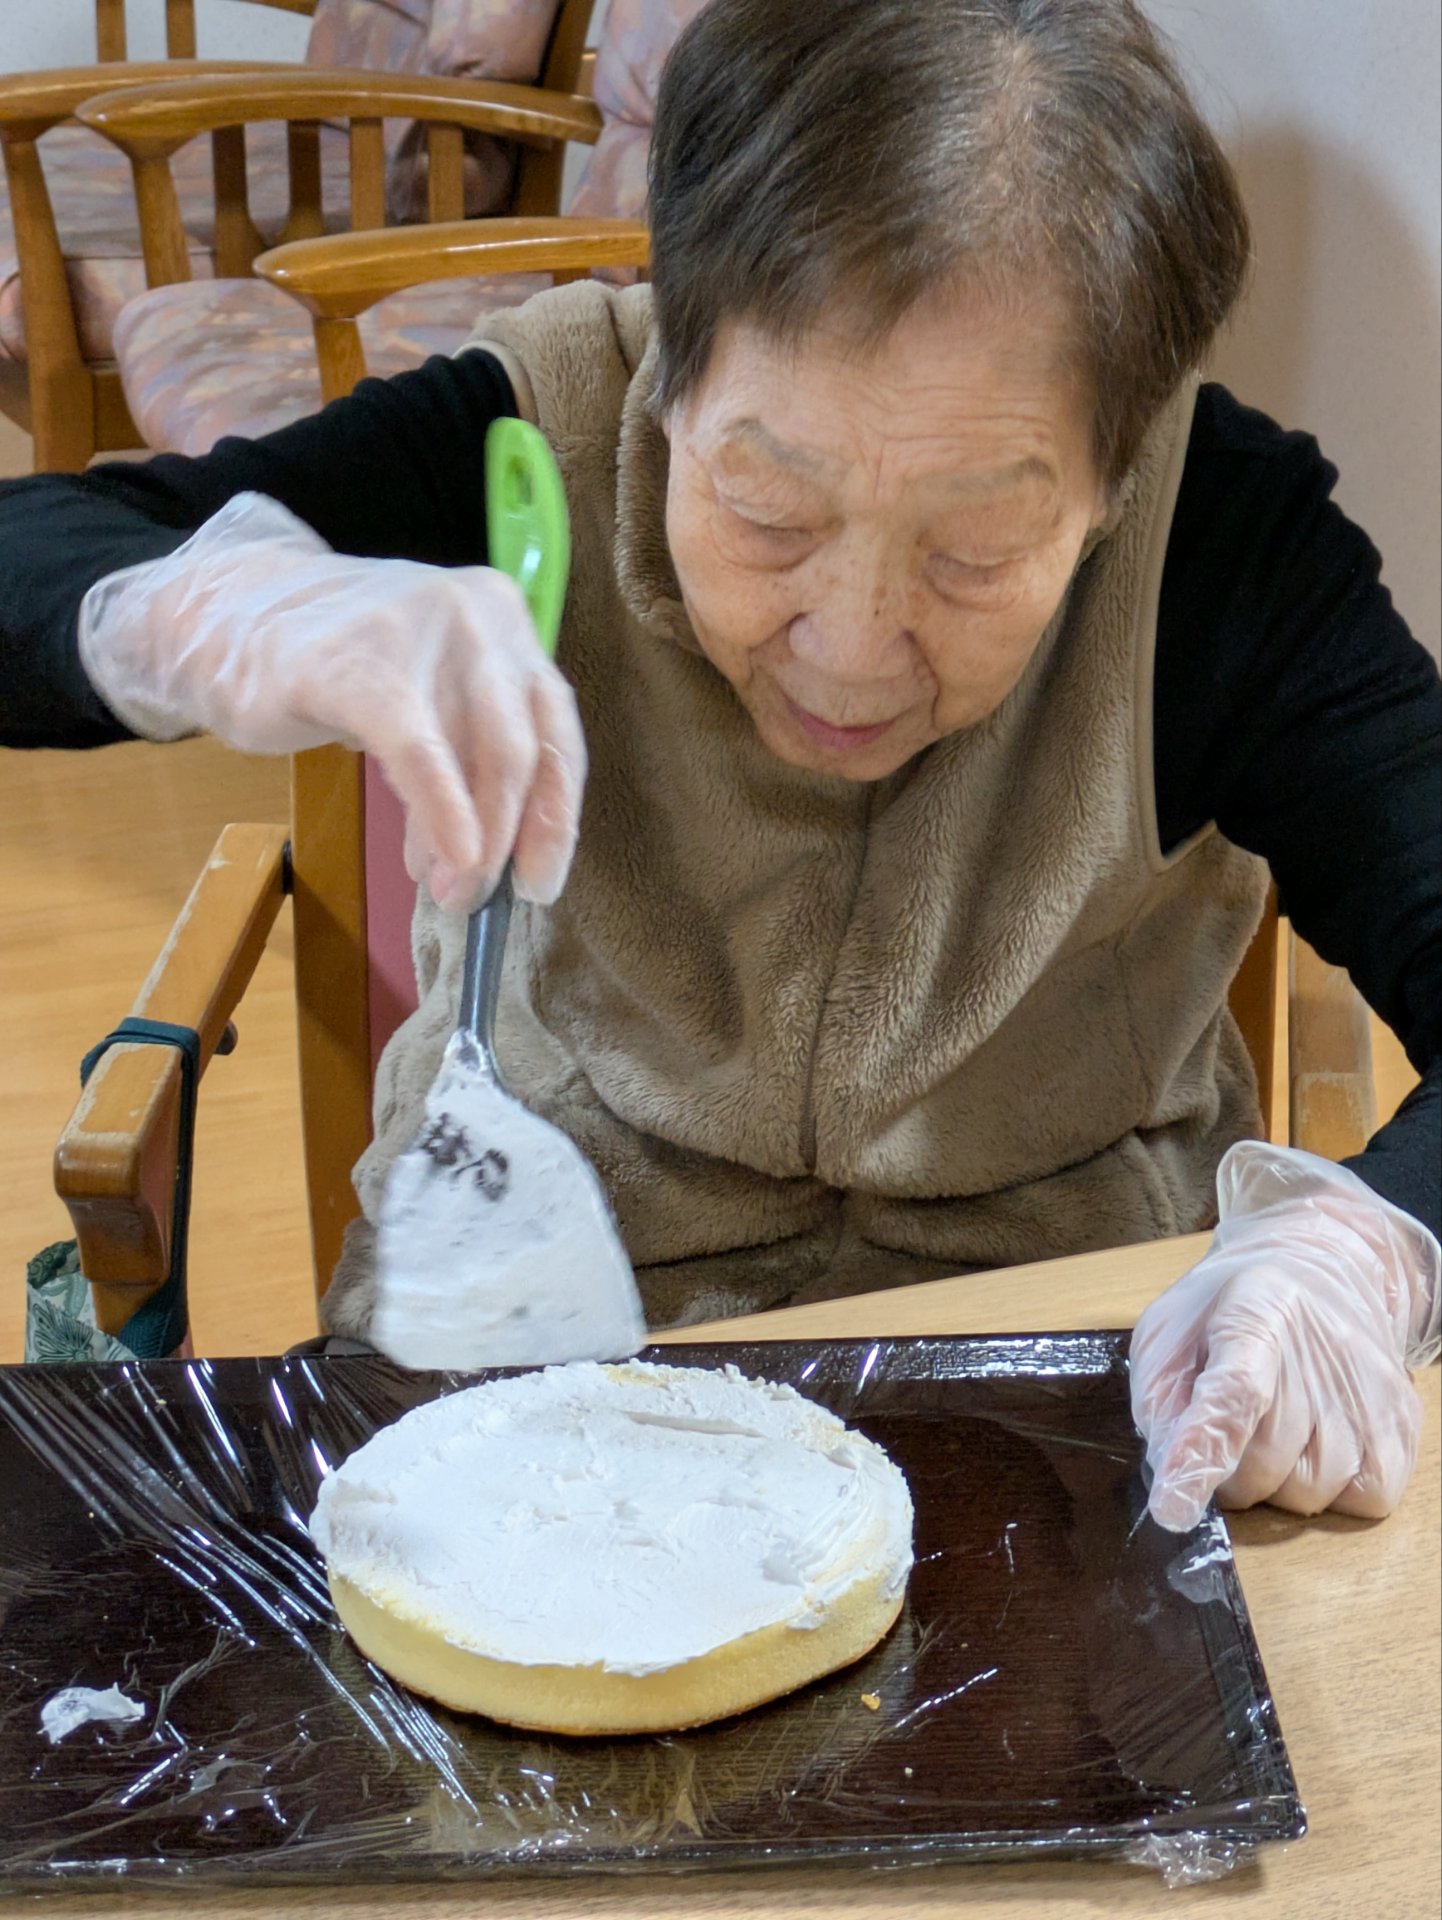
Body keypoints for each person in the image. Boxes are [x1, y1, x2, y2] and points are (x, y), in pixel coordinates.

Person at [0, 0, 1436, 1534]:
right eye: (765, 509)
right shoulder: (532, 440)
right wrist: (196, 608)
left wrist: (1361, 1248)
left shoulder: (1223, 545)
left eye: (972, 551)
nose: (848, 645)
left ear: (1112, 467)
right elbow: (39, 555)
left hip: (1053, 1390)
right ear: (666, 365)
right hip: (538, 1355)